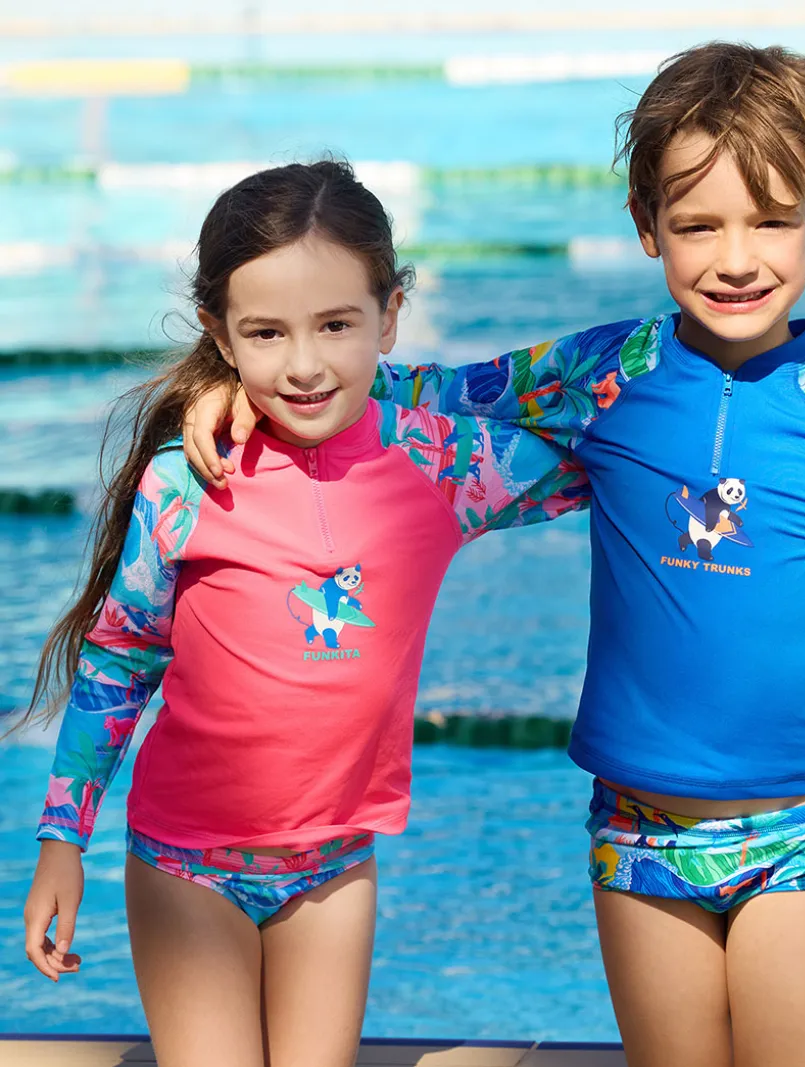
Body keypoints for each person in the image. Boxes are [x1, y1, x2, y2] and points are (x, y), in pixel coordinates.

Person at [183, 45, 805, 1067]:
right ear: (645, 222)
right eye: (698, 225)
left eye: (770, 221)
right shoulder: (606, 372)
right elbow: (410, 389)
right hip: (636, 833)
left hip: (800, 834)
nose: (736, 258)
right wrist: (227, 381)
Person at [21, 160, 587, 1067]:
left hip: (333, 869)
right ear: (219, 332)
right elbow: (120, 657)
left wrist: (398, 387)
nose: (305, 364)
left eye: (336, 325)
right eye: (266, 333)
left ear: (390, 315)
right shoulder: (187, 481)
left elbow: (610, 433)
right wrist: (62, 839)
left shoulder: (443, 466)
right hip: (185, 865)